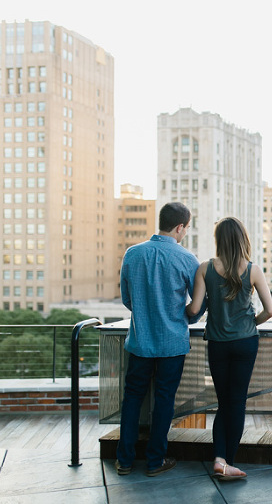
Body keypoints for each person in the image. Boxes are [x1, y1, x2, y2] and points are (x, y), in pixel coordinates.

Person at [116, 202, 204, 477]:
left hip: (140, 342)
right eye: (186, 228)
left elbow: (127, 299)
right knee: (165, 400)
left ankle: (124, 460)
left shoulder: (133, 254)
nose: (185, 233)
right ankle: (155, 461)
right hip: (172, 344)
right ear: (179, 227)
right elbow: (198, 304)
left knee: (132, 398)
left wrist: (145, 313)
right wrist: (183, 319)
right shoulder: (187, 259)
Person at [186, 217, 272, 481]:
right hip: (246, 342)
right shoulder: (253, 270)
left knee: (224, 402)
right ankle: (227, 463)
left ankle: (220, 460)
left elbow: (194, 309)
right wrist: (251, 322)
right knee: (236, 402)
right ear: (242, 239)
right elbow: (269, 311)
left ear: (218, 240)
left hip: (218, 344)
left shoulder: (205, 269)